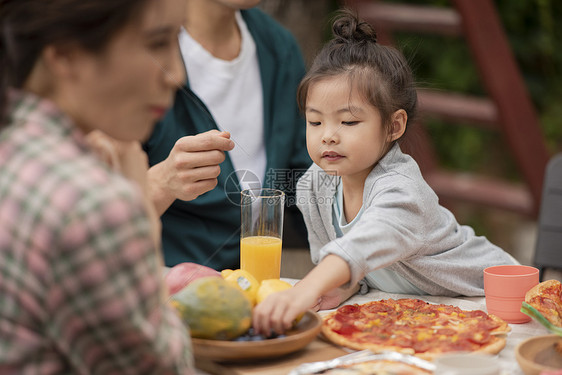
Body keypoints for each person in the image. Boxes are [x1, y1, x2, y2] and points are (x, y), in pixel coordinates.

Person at [252, 9, 519, 335]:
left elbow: (366, 242)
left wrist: (307, 287)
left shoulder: (403, 189)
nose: (328, 135)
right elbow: (348, 267)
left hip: (490, 301)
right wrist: (342, 287)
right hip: (418, 317)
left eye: (348, 121)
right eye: (315, 121)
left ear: (394, 126)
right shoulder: (313, 186)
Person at [0, 0, 199, 373]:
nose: (176, 74)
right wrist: (142, 212)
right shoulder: (93, 205)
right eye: (158, 42)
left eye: (177, 42)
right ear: (66, 54)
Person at [144, 0, 312, 270]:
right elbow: (86, 219)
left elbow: (305, 180)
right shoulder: (135, 46)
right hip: (161, 288)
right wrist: (161, 184)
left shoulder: (279, 46)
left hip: (250, 288)